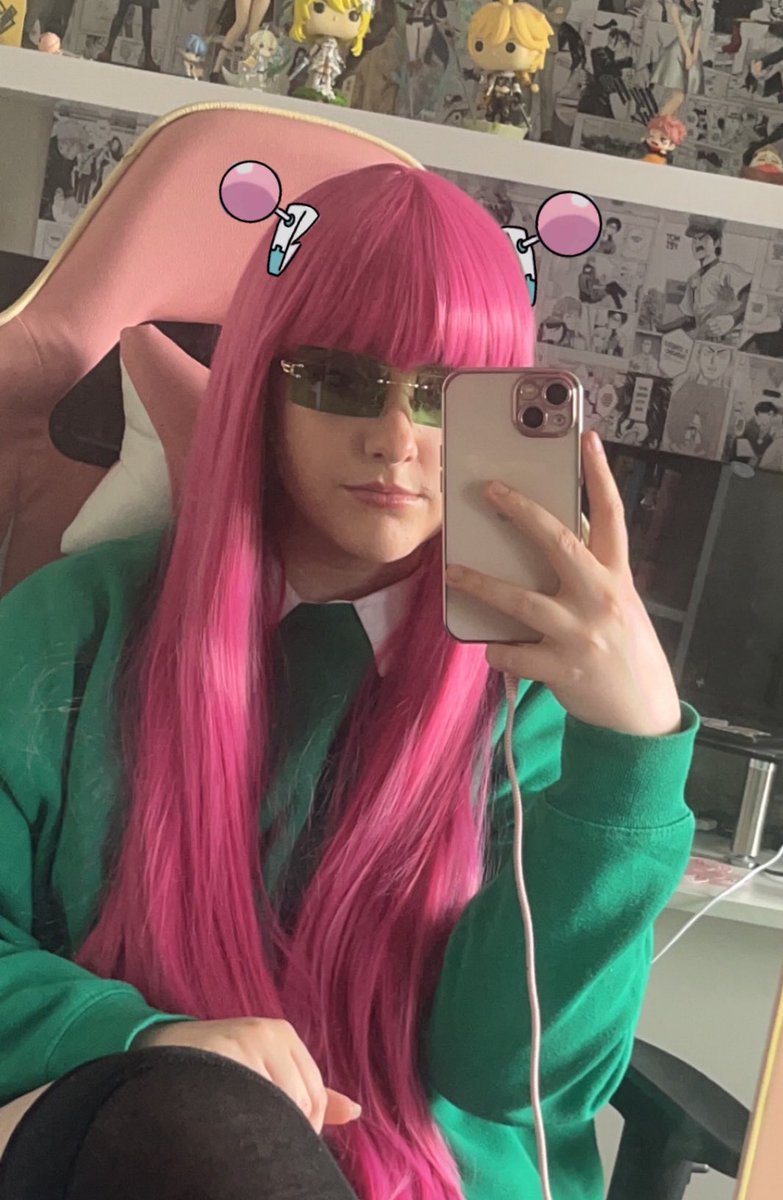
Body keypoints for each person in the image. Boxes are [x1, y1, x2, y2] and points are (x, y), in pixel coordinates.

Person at [0, 163, 697, 1200]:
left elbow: (512, 1076)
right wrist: (148, 1040)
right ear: (261, 387)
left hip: (435, 1180)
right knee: (188, 1122)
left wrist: (627, 766)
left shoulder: (537, 689)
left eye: (444, 393)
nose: (395, 438)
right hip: (144, 1153)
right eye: (338, 379)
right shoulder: (75, 626)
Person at [656, 215, 751, 344]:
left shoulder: (726, 270)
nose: (697, 243)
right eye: (694, 239)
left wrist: (732, 319)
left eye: (702, 238)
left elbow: (750, 291)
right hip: (704, 342)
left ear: (717, 242)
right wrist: (661, 328)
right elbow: (690, 320)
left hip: (728, 341)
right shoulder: (693, 279)